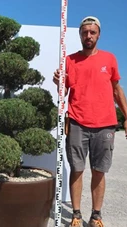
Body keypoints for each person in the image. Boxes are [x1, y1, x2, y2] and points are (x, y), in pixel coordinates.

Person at [53, 16, 127, 227]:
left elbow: (116, 90)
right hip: (77, 122)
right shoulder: (70, 60)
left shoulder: (109, 59)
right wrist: (58, 82)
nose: (88, 36)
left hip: (105, 124)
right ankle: (76, 215)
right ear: (80, 35)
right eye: (85, 32)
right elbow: (64, 91)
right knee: (77, 169)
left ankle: (96, 216)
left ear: (98, 35)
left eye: (92, 32)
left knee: (99, 170)